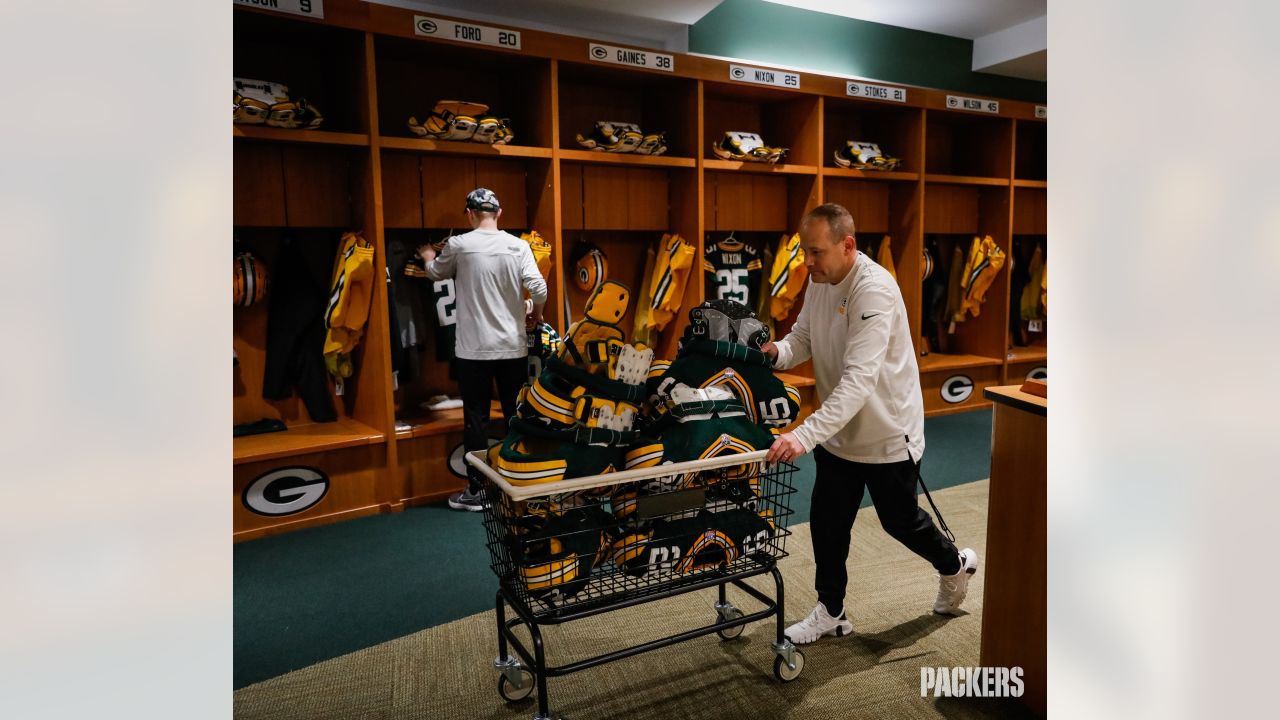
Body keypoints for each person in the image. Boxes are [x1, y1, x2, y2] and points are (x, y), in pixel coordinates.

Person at [761, 203, 978, 644]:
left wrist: (803, 434)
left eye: (817, 252)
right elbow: (803, 337)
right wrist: (775, 355)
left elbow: (859, 381)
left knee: (900, 522)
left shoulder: (874, 289)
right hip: (839, 434)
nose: (808, 261)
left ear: (848, 246)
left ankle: (954, 564)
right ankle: (832, 612)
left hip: (886, 435)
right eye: (805, 250)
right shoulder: (821, 279)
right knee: (827, 523)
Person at [419, 188, 547, 512]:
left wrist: (427, 257)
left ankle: (477, 492)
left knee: (475, 417)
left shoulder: (459, 245)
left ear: (469, 214)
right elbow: (540, 287)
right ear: (499, 213)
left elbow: (435, 274)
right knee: (514, 415)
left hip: (473, 351)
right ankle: (518, 481)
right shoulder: (518, 246)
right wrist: (537, 313)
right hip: (511, 348)